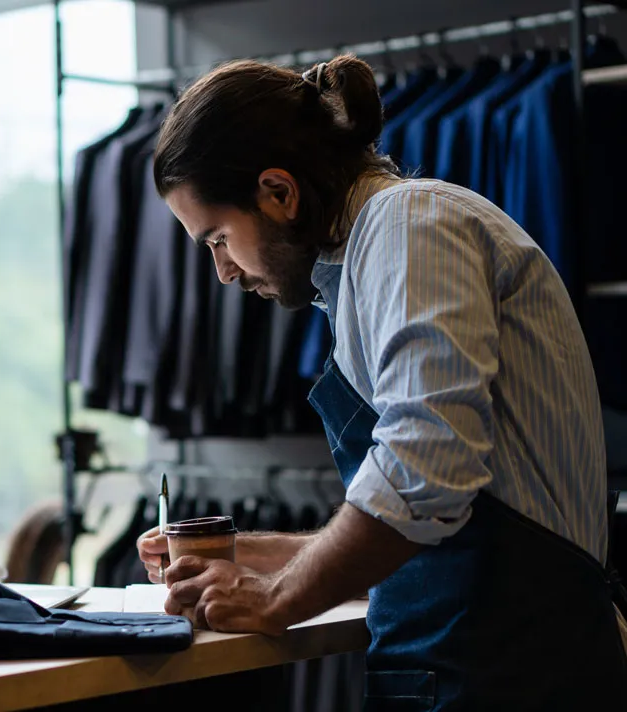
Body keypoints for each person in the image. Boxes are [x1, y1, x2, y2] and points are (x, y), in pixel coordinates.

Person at [136, 55, 627, 710]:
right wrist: (262, 554)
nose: (223, 271)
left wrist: (281, 595)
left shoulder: (408, 227)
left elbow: (426, 466)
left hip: (516, 672)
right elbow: (435, 533)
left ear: (279, 192)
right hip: (475, 663)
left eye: (218, 239)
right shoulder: (372, 254)